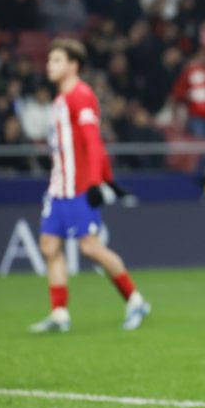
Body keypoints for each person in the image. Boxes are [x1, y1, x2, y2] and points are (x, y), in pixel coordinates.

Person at [30, 39, 151, 333]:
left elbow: (93, 141)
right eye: (49, 60)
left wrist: (100, 182)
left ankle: (135, 300)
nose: (50, 66)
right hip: (58, 187)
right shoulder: (60, 99)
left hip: (80, 186)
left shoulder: (81, 95)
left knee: (91, 248)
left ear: (73, 65)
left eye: (56, 60)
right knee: (49, 246)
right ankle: (59, 314)